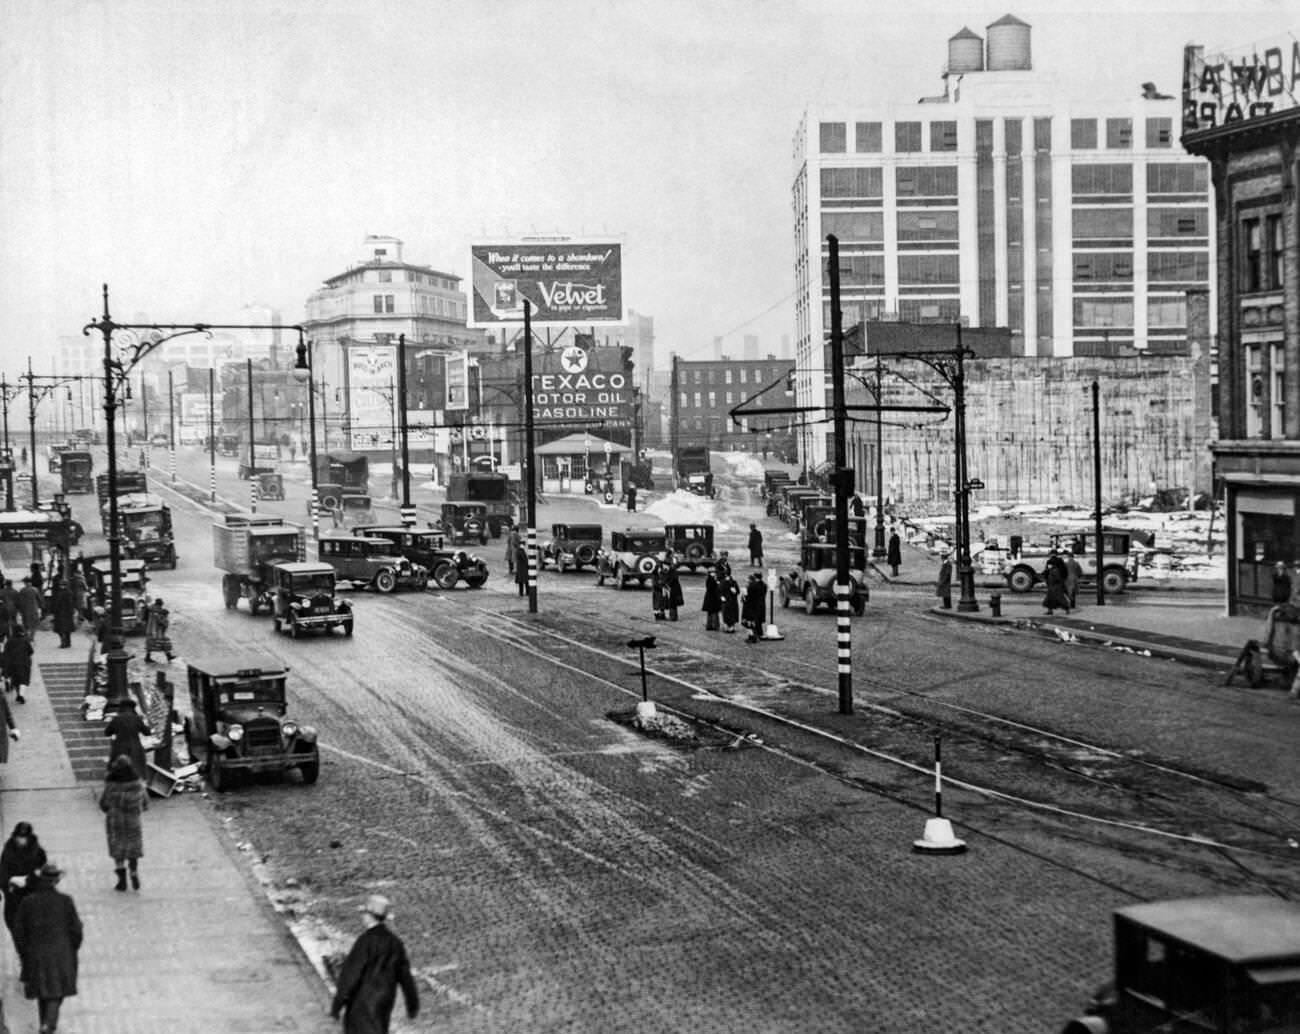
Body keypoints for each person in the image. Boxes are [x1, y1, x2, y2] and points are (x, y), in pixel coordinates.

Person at [330, 893, 419, 1033]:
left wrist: (337, 1005)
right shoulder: (395, 943)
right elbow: (406, 977)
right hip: (385, 1001)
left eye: (364, 913)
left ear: (368, 915)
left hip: (362, 1003)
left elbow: (350, 975)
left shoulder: (365, 941)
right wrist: (412, 1005)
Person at [14, 861, 82, 1034]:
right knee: (56, 992)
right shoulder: (65, 901)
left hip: (35, 953)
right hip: (61, 952)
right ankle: (48, 1026)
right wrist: (72, 948)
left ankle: (45, 1023)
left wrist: (24, 952)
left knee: (42, 992)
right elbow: (76, 930)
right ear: (56, 881)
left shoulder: (28, 902)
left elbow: (19, 931)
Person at [100, 754, 147, 892]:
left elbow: (103, 803)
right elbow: (145, 802)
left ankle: (121, 880)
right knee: (133, 848)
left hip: (115, 821)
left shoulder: (111, 784)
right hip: (133, 820)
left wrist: (108, 810)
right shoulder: (137, 784)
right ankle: (133, 871)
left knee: (118, 848)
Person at [0, 821, 46, 951]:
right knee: (15, 929)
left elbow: (42, 875)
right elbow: (2, 872)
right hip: (13, 898)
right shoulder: (8, 851)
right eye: (19, 837)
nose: (21, 841)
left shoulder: (38, 853)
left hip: (31, 898)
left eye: (24, 838)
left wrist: (28, 880)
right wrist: (10, 881)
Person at [103, 696, 152, 781]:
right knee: (136, 769)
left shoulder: (117, 719)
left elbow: (107, 732)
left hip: (119, 747)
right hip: (135, 748)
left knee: (119, 769)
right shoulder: (137, 719)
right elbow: (147, 732)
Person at [3, 626, 33, 704]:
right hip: (24, 663)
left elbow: (6, 653)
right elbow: (31, 651)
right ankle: (21, 695)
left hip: (13, 664)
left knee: (16, 680)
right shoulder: (25, 640)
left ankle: (18, 694)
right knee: (24, 680)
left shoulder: (10, 641)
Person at [143, 598, 176, 663]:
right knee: (163, 642)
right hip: (154, 631)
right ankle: (168, 656)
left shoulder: (151, 609)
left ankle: (167, 656)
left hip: (151, 629)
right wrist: (164, 621)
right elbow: (159, 620)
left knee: (152, 644)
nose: (161, 607)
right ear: (159, 605)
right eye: (161, 605)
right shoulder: (156, 611)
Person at [50, 578, 76, 649]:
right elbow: (71, 603)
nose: (61, 586)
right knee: (67, 630)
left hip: (61, 614)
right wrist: (72, 611)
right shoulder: (69, 592)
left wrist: (54, 611)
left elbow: (57, 604)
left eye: (62, 585)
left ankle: (64, 643)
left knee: (61, 630)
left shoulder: (61, 593)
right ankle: (68, 642)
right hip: (67, 614)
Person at [742, 573, 766, 643]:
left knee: (749, 623)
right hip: (759, 605)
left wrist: (744, 597)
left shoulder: (751, 587)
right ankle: (758, 634)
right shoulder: (763, 585)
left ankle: (752, 637)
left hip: (750, 607)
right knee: (756, 621)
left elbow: (747, 597)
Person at [719, 565, 740, 634]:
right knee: (727, 614)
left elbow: (737, 591)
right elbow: (719, 591)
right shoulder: (726, 581)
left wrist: (735, 591)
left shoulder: (732, 582)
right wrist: (721, 596)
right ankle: (729, 627)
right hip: (728, 600)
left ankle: (731, 627)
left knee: (730, 614)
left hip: (730, 600)